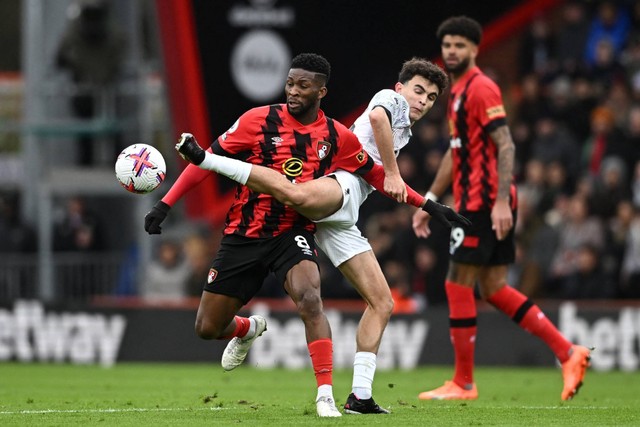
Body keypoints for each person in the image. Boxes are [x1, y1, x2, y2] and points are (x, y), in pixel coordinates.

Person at [144, 53, 467, 417]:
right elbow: (378, 120)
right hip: (307, 201)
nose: (422, 100)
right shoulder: (388, 101)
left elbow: (375, 173)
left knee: (377, 301)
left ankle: (354, 396)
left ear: (321, 91)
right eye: (418, 90)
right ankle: (247, 326)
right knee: (209, 324)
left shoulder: (357, 132)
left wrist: (428, 205)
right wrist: (167, 203)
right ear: (400, 88)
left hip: (326, 219)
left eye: (430, 96)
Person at [411, 16, 591, 401]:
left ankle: (463, 383)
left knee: (455, 282)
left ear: (475, 48)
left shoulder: (482, 89)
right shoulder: (457, 92)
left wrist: (499, 202)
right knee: (493, 288)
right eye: (447, 45)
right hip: (478, 202)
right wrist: (429, 198)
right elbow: (455, 153)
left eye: (460, 45)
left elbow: (505, 144)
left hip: (482, 204)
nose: (452, 51)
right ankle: (568, 351)